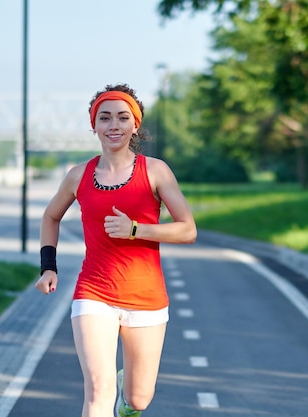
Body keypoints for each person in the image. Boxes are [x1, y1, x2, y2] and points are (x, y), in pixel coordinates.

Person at [35, 83, 197, 417]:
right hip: (93, 292)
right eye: (105, 118)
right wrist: (48, 266)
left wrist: (136, 230)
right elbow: (51, 216)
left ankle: (129, 401)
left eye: (122, 118)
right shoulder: (77, 176)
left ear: (134, 125)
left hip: (146, 296)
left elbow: (188, 230)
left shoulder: (155, 171)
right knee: (98, 390)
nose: (113, 126)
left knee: (139, 399)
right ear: (94, 125)